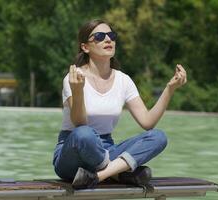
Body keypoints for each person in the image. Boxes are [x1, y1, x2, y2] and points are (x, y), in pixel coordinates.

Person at [52, 19, 187, 189]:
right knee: (84, 134)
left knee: (158, 137)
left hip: (107, 149)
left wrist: (170, 88)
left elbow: (147, 122)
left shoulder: (124, 80)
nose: (108, 40)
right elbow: (79, 124)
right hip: (73, 152)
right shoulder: (74, 77)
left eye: (112, 36)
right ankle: (117, 173)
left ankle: (98, 176)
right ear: (85, 47)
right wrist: (78, 91)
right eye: (100, 36)